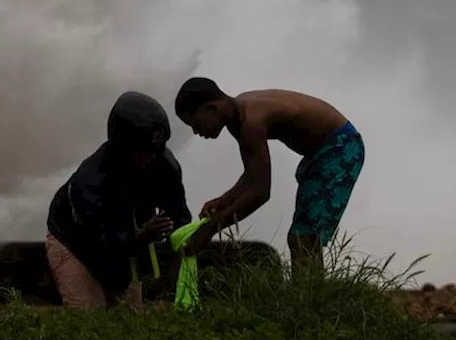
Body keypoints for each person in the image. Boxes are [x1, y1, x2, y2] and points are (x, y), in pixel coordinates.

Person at [172, 77, 366, 272]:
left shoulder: (250, 122)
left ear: (212, 108)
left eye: (196, 124)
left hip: (340, 148)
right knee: (303, 236)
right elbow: (252, 176)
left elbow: (261, 192)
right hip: (320, 152)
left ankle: (311, 301)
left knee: (304, 237)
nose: (196, 132)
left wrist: (211, 228)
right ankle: (309, 297)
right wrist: (223, 200)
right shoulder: (237, 114)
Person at [45, 91, 193, 310]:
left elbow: (179, 216)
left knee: (129, 319)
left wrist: (179, 264)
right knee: (88, 316)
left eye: (155, 149)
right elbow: (102, 242)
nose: (149, 157)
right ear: (122, 146)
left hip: (127, 239)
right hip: (76, 242)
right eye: (141, 150)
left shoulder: (165, 166)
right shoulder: (90, 181)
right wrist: (143, 235)